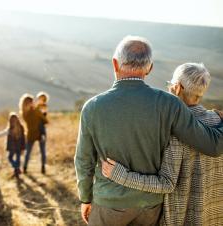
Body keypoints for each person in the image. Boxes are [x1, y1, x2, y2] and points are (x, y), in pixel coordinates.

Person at [74, 36, 223, 226]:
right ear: (150, 68)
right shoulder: (169, 103)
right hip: (151, 207)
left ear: (115, 64)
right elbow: (212, 145)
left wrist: (85, 198)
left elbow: (84, 160)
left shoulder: (92, 107)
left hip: (109, 205)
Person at [19, 93, 48, 174]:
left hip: (35, 133)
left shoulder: (26, 112)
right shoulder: (30, 112)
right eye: (31, 102)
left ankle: (41, 167)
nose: (33, 103)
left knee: (36, 151)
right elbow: (45, 120)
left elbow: (45, 119)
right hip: (35, 133)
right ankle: (26, 167)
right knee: (32, 152)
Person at [0, 112, 25, 178]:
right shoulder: (21, 127)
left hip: (12, 148)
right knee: (18, 159)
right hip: (19, 147)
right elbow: (23, 139)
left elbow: (2, 133)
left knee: (10, 158)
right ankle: (17, 169)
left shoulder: (10, 129)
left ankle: (16, 169)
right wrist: (23, 147)